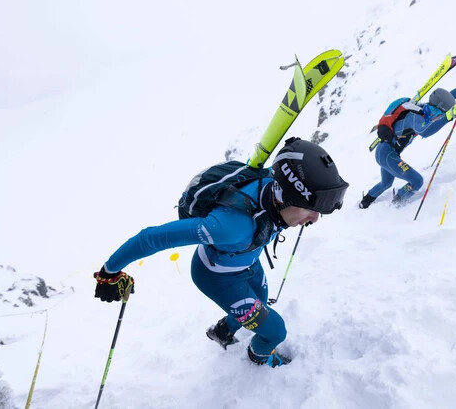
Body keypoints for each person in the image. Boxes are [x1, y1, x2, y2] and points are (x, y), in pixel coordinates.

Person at [93, 137, 349, 368]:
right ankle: (258, 357)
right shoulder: (229, 227)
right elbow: (152, 238)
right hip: (218, 278)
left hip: (247, 264)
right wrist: (109, 273)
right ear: (285, 196)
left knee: (261, 300)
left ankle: (222, 332)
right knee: (275, 332)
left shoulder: (271, 185)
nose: (314, 219)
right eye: (310, 209)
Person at [360, 72, 456, 209]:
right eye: (441, 113)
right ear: (438, 107)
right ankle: (397, 203)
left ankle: (365, 202)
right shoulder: (415, 117)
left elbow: (449, 98)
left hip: (388, 153)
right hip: (387, 155)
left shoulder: (426, 109)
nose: (440, 116)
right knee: (417, 181)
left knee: (386, 183)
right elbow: (426, 132)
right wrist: (449, 116)